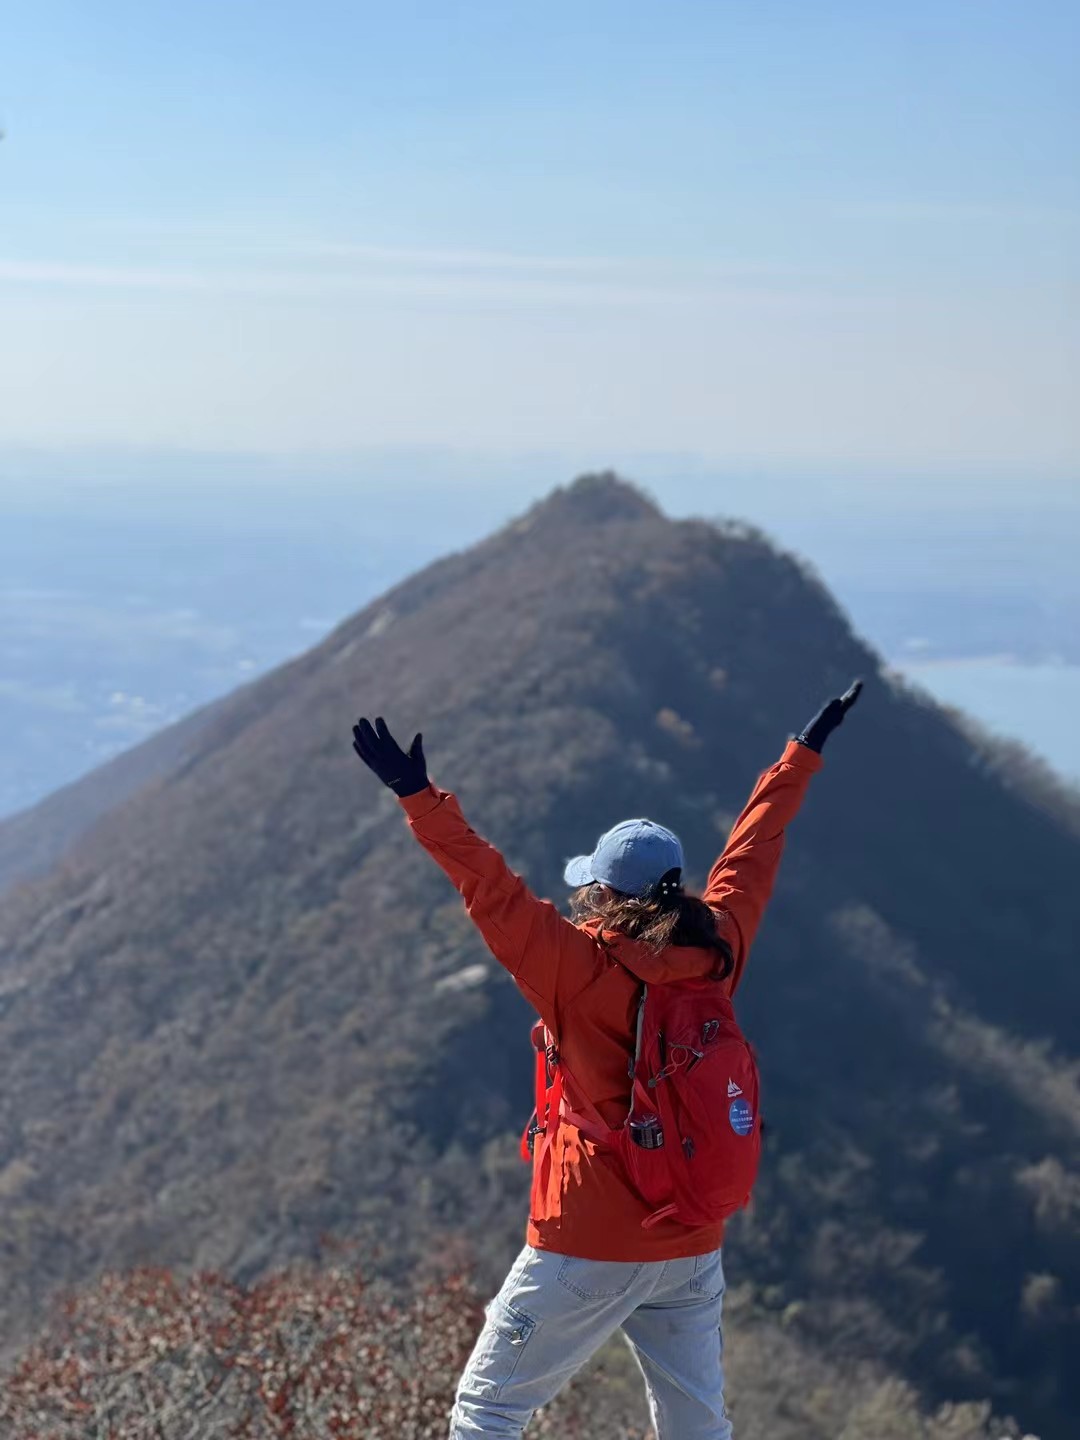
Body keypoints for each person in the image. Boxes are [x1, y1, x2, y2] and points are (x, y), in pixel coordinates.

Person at [351, 679, 862, 1439]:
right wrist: (799, 756)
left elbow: (491, 889)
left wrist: (419, 798)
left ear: (604, 894)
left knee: (487, 1412)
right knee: (695, 1425)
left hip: (588, 1237)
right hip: (691, 1238)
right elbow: (753, 851)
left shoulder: (573, 969)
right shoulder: (719, 948)